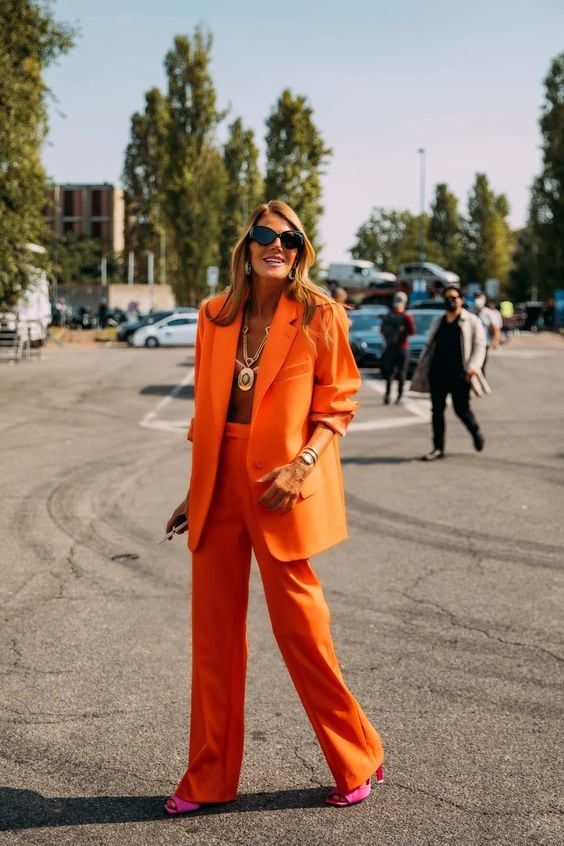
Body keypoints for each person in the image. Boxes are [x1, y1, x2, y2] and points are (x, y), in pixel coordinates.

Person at [163, 200, 384, 815]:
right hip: (217, 486)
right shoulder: (214, 315)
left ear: (301, 250)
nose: (277, 245)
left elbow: (338, 404)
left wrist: (302, 465)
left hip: (282, 487)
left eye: (290, 238)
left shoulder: (321, 315)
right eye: (265, 235)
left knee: (303, 634)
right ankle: (207, 779)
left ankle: (358, 756)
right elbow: (207, 413)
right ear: (247, 245)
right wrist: (195, 488)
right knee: (213, 641)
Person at [411, 285, 487, 461]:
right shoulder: (439, 321)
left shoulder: (471, 321)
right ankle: (438, 448)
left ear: (461, 300)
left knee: (461, 410)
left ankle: (475, 432)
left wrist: (474, 366)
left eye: (454, 297)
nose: (451, 301)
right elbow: (430, 346)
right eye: (447, 298)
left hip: (460, 374)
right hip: (437, 373)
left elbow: (479, 345)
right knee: (437, 411)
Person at [380, 291, 415, 405]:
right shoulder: (406, 317)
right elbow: (412, 331)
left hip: (390, 348)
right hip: (402, 347)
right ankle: (399, 396)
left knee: (389, 373)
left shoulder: (388, 316)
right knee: (401, 373)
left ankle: (387, 395)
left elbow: (381, 331)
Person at [473, 293, 500, 376]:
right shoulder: (471, 311)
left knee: (480, 366)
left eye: (480, 298)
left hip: (483, 343)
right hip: (471, 343)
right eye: (476, 298)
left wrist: (495, 340)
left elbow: (495, 327)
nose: (478, 300)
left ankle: (480, 385)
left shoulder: (488, 313)